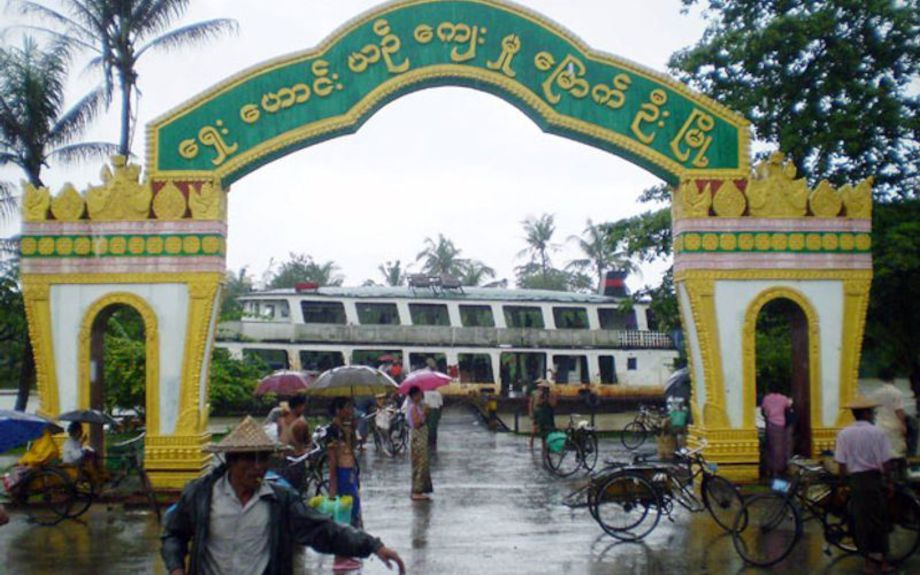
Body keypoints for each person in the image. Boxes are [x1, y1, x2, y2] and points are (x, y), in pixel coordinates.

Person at [161, 416, 405, 575]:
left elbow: (323, 530)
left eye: (263, 459)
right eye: (250, 459)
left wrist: (373, 545)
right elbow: (173, 533)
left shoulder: (281, 501)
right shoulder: (201, 494)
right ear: (231, 461)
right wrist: (176, 568)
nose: (258, 467)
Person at [834, 396, 893, 574]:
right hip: (874, 479)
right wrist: (889, 480)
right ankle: (883, 561)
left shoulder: (844, 434)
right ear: (866, 413)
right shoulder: (878, 433)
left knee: (861, 522)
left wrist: (842, 483)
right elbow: (886, 462)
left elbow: (841, 463)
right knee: (879, 521)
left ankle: (868, 562)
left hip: (856, 481)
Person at [326, 397, 363, 571]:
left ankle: (348, 552)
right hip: (341, 474)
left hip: (350, 472)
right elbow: (332, 460)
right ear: (338, 410)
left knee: (353, 512)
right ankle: (341, 556)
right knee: (344, 515)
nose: (350, 411)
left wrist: (352, 431)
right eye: (347, 407)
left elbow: (352, 448)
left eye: (350, 407)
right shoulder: (332, 431)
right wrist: (333, 486)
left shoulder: (346, 428)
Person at [870, 369, 908, 478]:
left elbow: (872, 409)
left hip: (879, 425)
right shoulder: (896, 392)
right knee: (897, 453)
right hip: (893, 425)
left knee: (883, 452)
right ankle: (899, 476)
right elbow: (899, 411)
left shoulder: (876, 393)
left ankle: (885, 476)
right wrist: (903, 424)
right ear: (893, 379)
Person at [407, 386, 433, 501]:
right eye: (418, 394)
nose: (420, 396)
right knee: (419, 463)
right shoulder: (413, 408)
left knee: (422, 463)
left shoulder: (418, 406)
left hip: (421, 438)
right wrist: (424, 414)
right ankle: (416, 491)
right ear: (413, 396)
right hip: (418, 439)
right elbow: (417, 423)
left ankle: (421, 489)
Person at [761, 388, 793, 477]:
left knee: (770, 447)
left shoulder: (766, 398)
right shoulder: (784, 398)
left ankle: (770, 469)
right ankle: (778, 470)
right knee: (779, 448)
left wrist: (767, 418)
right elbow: (788, 408)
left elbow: (763, 411)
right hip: (781, 424)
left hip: (770, 424)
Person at [530, 380, 557, 452]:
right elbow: (537, 403)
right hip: (541, 414)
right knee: (541, 431)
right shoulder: (539, 394)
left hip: (548, 414)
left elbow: (553, 404)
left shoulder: (552, 394)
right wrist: (543, 400)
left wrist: (548, 399)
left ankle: (549, 446)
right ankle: (543, 446)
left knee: (550, 430)